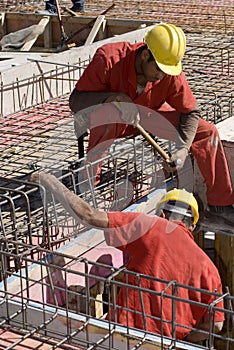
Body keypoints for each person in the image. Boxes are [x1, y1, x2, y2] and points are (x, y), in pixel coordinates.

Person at [69, 22, 234, 224]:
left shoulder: (167, 70)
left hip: (148, 114)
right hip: (110, 118)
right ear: (145, 55)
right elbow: (75, 101)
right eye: (158, 70)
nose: (161, 76)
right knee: (108, 115)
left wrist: (182, 149)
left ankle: (221, 203)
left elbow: (190, 112)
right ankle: (89, 192)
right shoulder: (109, 59)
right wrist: (114, 97)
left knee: (207, 131)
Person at [31, 172, 224, 342]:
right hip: (164, 344)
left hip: (121, 336)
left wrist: (50, 181)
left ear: (163, 214)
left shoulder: (151, 226)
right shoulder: (210, 269)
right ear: (192, 226)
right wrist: (185, 337)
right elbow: (216, 326)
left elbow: (88, 215)